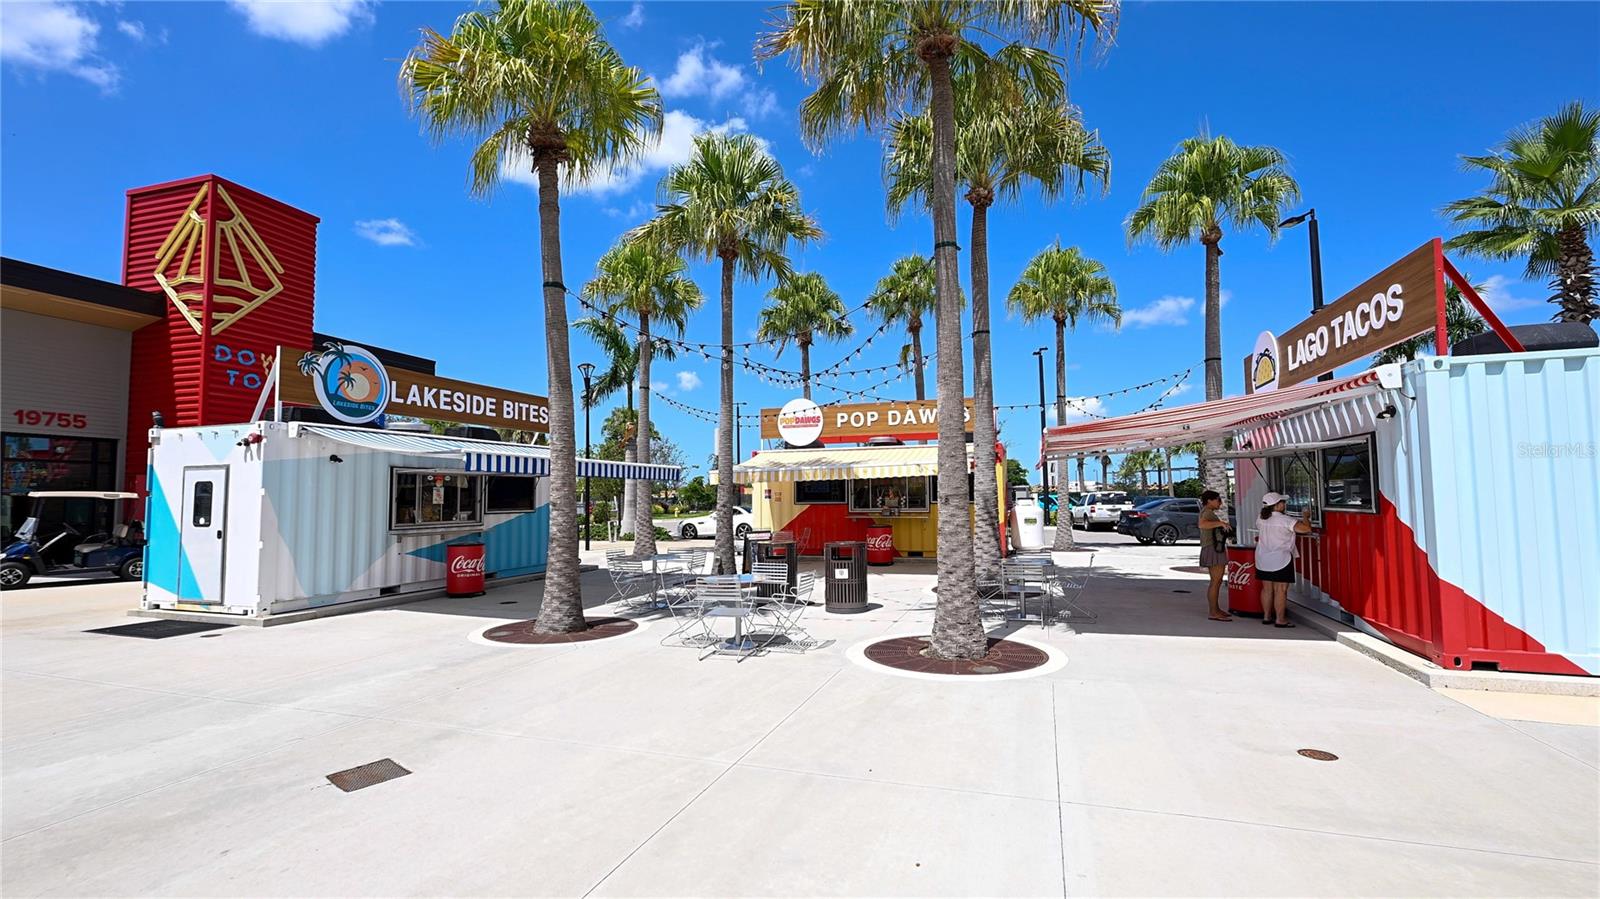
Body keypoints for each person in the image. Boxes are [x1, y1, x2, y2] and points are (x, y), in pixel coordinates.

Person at [1256, 491, 1313, 627]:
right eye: (1282, 502)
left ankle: (1266, 616)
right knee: (1281, 590)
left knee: (1267, 589)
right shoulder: (1286, 520)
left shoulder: (1260, 518)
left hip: (1262, 558)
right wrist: (1306, 516)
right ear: (1277, 505)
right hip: (1281, 559)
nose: (1285, 504)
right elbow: (1306, 529)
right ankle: (1280, 619)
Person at [1197, 490, 1233, 621]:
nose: (1220, 502)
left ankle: (1216, 609)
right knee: (1216, 581)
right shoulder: (1206, 512)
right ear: (1209, 500)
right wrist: (1220, 523)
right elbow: (1202, 524)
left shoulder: (1208, 512)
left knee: (1216, 581)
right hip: (1212, 548)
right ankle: (1213, 611)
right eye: (1218, 499)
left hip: (1214, 547)